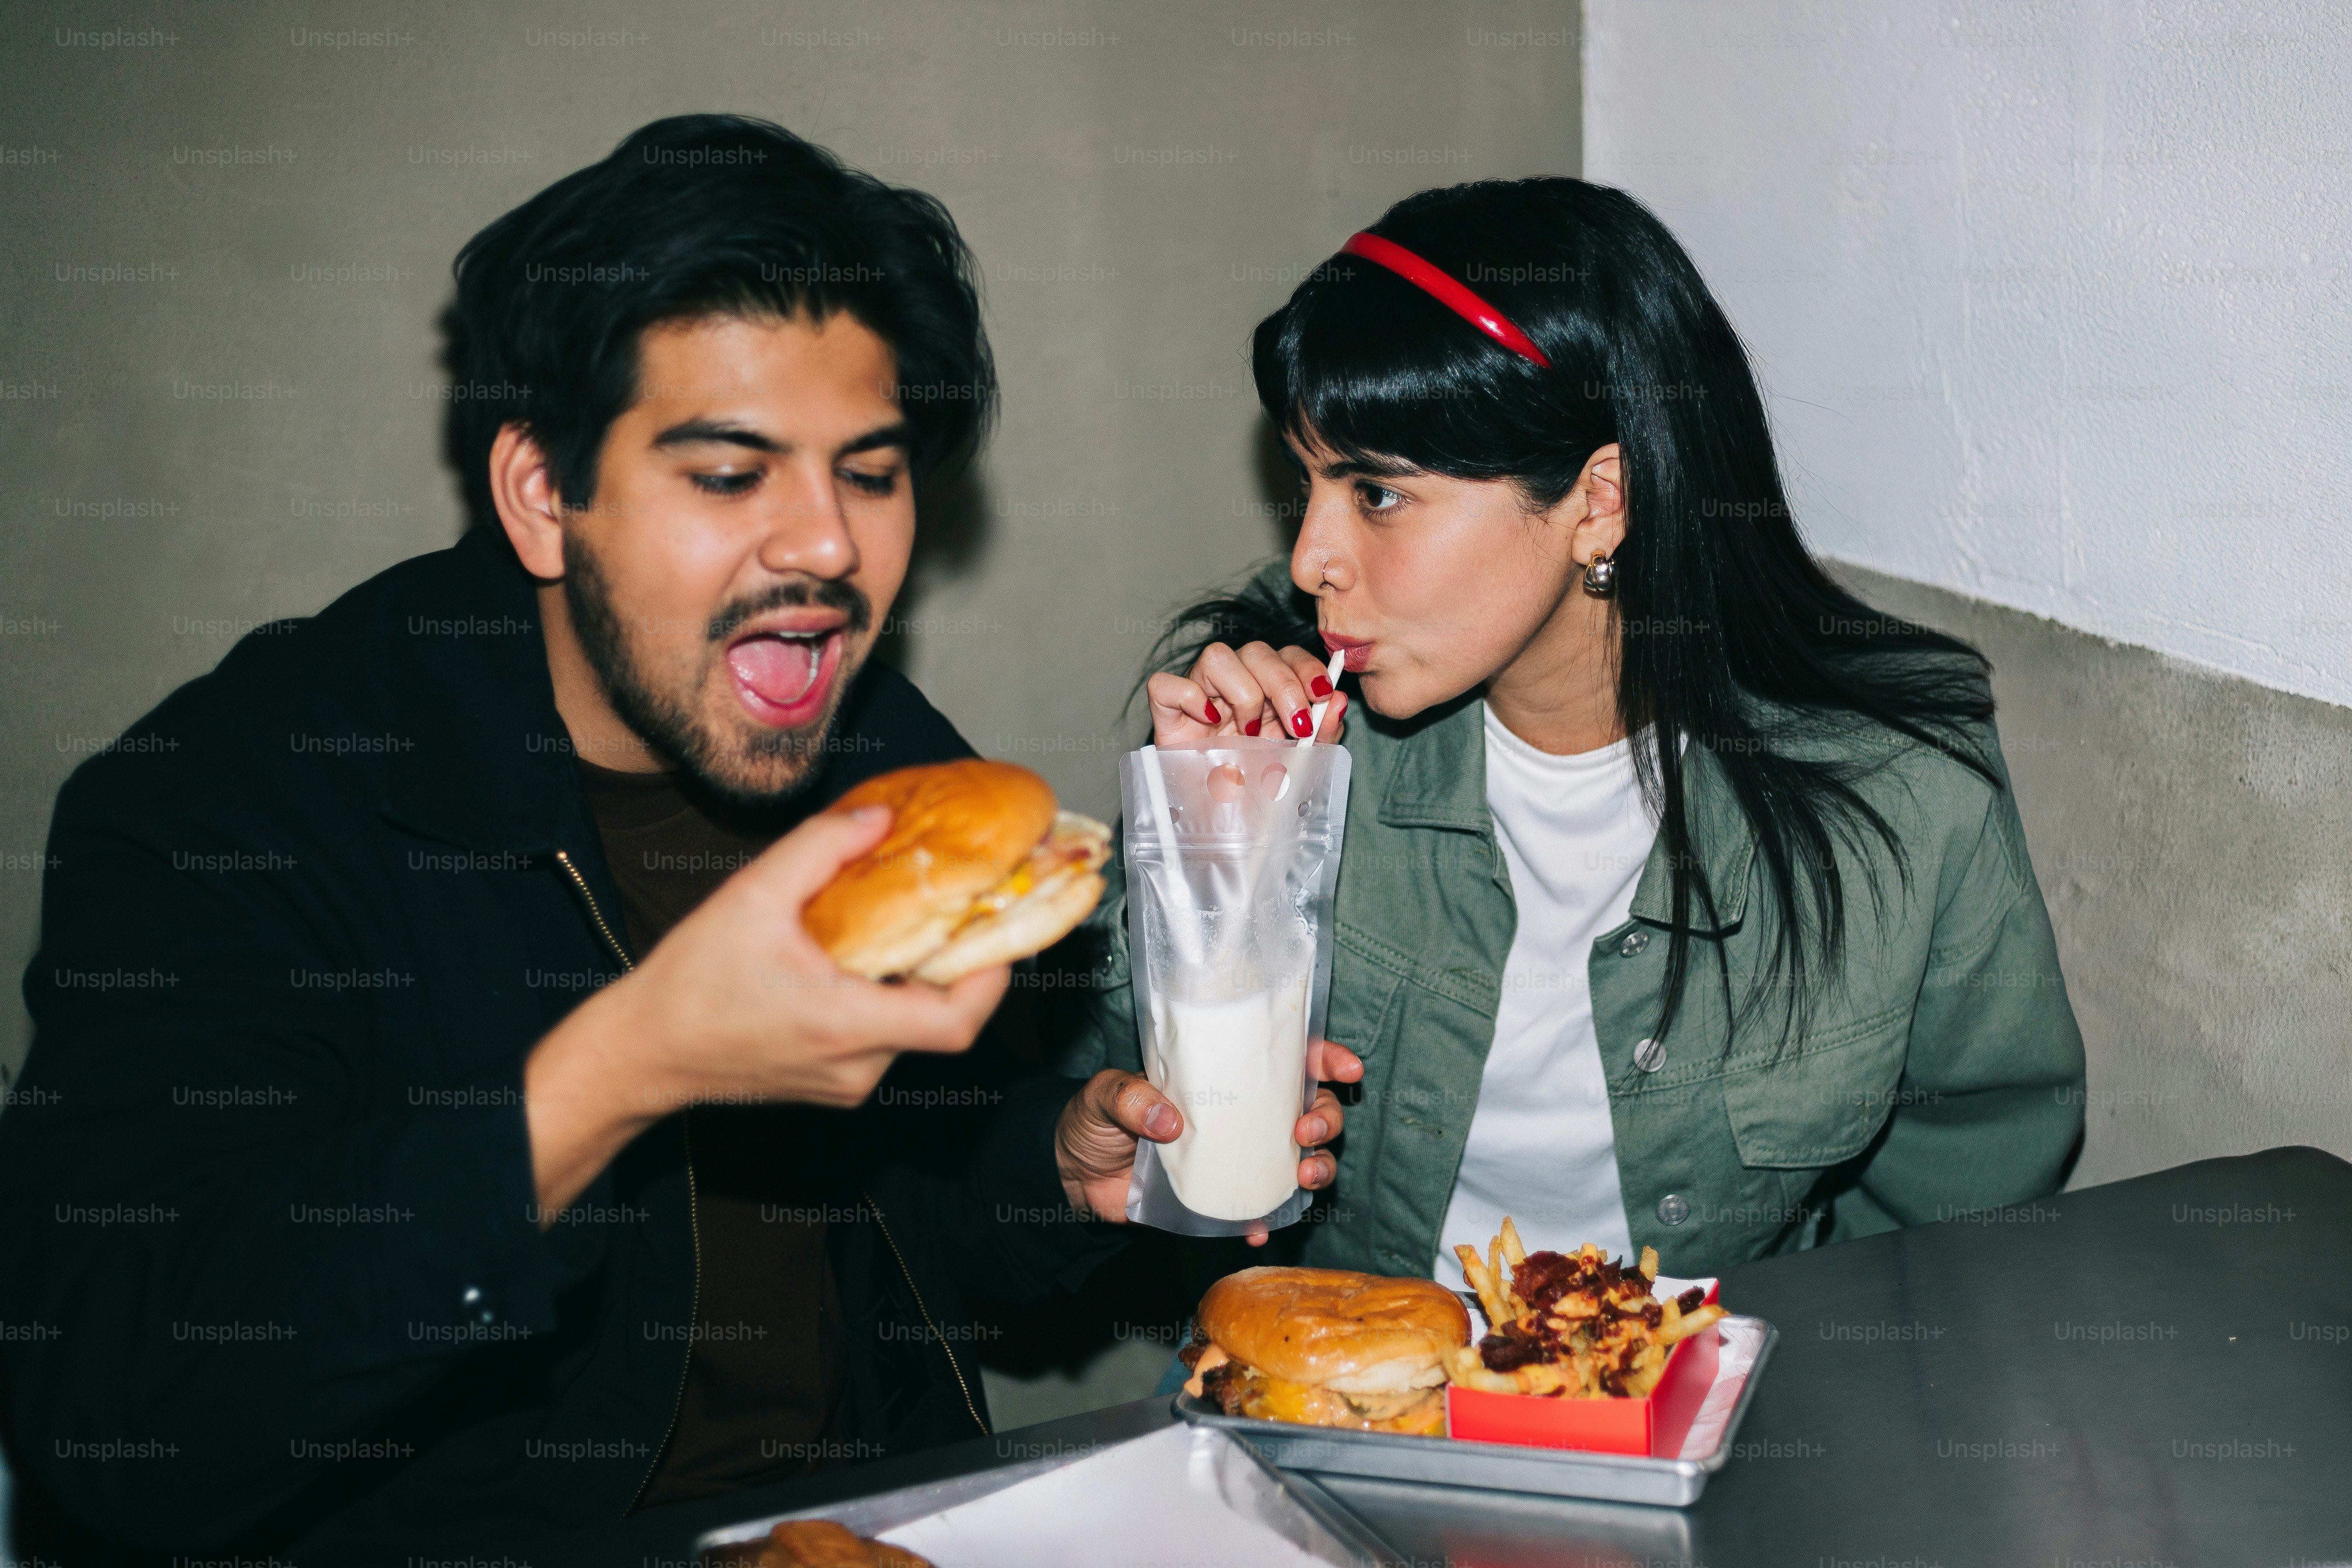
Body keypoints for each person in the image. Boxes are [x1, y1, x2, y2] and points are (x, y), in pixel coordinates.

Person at [0, 116, 1345, 1559]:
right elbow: (118, 1417)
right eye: (728, 474)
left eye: (870, 471)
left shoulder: (880, 756)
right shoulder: (246, 800)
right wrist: (625, 1067)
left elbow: (928, 1214)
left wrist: (1061, 1163)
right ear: (543, 493)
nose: (826, 544)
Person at [1065, 178, 2084, 1297]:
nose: (1311, 558)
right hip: (1336, 1368)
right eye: (1307, 482)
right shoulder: (1276, 722)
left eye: (1377, 494)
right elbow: (1127, 1140)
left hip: (1710, 1383)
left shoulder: (1897, 784)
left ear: (1599, 501)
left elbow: (1970, 1189)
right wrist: (1205, 850)